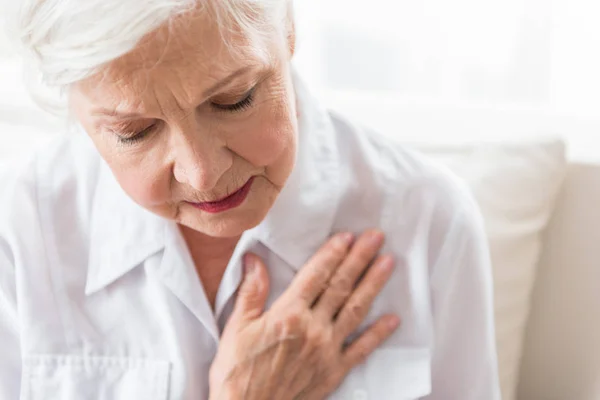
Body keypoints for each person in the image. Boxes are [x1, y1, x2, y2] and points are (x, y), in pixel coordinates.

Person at [0, 0, 500, 398]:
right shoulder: (22, 230)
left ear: (288, 29)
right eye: (135, 132)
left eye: (232, 100)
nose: (202, 173)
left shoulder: (428, 218)